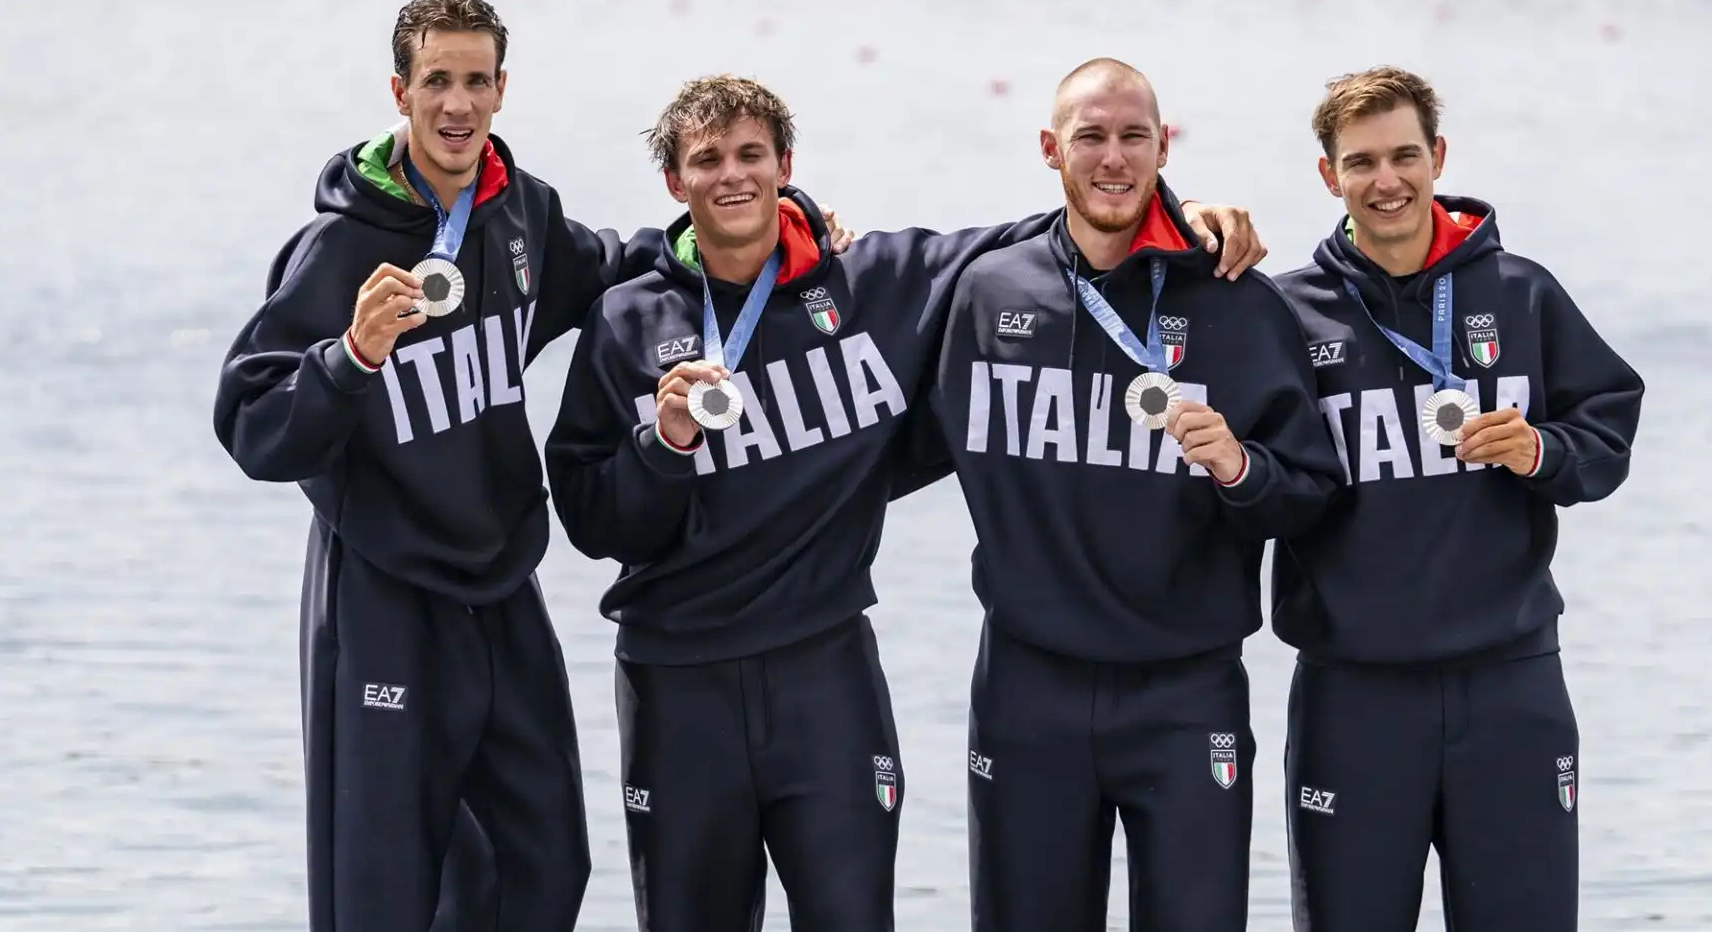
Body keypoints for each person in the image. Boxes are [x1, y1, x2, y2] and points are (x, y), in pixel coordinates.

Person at [541, 73, 1265, 931]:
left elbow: (1062, 225)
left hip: (827, 678)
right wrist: (663, 446)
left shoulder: (873, 283)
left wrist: (1189, 216)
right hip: (676, 683)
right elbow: (590, 522)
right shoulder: (628, 322)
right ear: (674, 182)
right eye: (707, 161)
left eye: (750, 156)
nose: (732, 176)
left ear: (785, 167)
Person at [213, 0, 658, 932]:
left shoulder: (522, 214)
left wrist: (745, 230)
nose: (457, 105)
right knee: (380, 887)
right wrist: (351, 357)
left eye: (475, 82)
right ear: (401, 91)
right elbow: (255, 425)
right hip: (380, 589)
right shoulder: (340, 245)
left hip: (500, 584)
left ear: (502, 92)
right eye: (436, 82)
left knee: (546, 861)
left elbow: (617, 266)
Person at [919, 58, 1346, 932]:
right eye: (1090, 138)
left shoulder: (1235, 300)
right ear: (1050, 148)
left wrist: (1238, 468)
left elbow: (1309, 499)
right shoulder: (987, 291)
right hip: (1027, 686)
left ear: (1163, 145)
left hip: (1185, 695)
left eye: (1132, 138)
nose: (1112, 159)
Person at [1268, 65, 1646, 931]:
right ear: (1330, 176)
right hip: (1351, 694)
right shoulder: (1287, 312)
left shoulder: (1520, 292)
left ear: (1438, 157)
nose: (1387, 180)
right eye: (1361, 162)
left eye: (1405, 155)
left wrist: (1541, 448)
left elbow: (1608, 431)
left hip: (1508, 685)